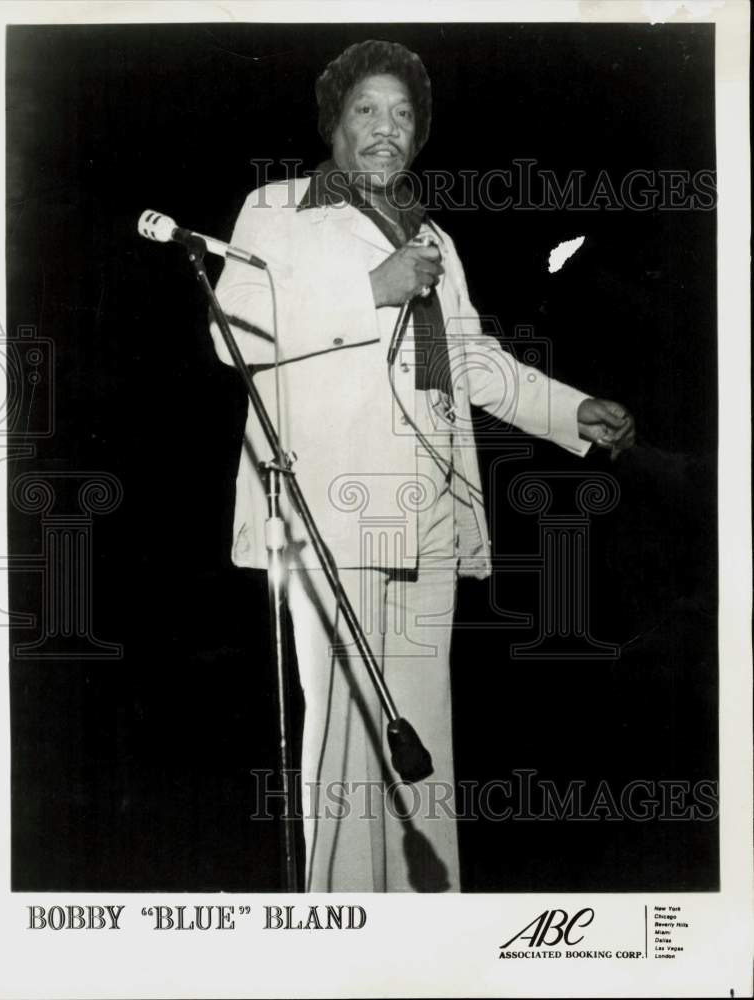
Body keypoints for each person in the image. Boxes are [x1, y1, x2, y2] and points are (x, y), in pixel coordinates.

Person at [210, 39, 635, 892]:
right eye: (367, 109)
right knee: (343, 731)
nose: (386, 129)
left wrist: (569, 412)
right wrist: (372, 287)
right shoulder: (277, 208)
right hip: (334, 506)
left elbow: (468, 360)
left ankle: (422, 922)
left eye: (403, 115)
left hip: (429, 506)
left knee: (417, 737)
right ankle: (335, 924)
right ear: (333, 122)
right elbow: (231, 332)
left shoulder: (430, 232)